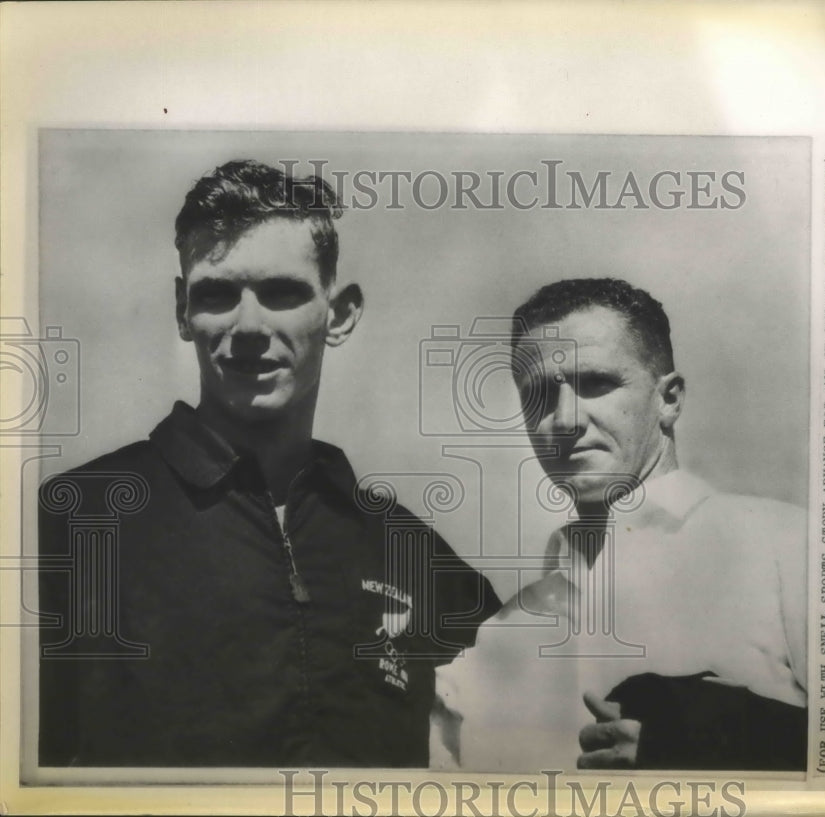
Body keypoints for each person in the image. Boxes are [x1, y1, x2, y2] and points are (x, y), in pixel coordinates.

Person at [37, 159, 500, 767]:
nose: (248, 326)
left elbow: (531, 744)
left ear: (340, 314)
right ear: (183, 311)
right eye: (217, 294)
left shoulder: (406, 550)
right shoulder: (74, 523)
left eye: (282, 293)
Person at [433, 278, 806, 772]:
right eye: (539, 394)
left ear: (669, 399)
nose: (564, 420)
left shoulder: (787, 548)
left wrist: (717, 738)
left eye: (597, 384)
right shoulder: (497, 644)